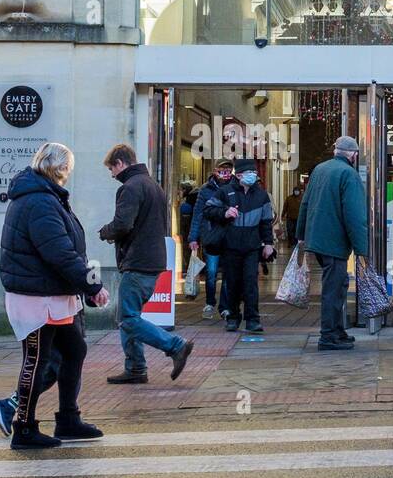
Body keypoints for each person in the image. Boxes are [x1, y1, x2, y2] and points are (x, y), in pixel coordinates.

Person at [0, 142, 110, 448]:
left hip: (53, 294)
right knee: (37, 360)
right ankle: (24, 427)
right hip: (36, 297)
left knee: (74, 351)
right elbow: (60, 254)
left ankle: (68, 420)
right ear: (60, 168)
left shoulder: (46, 197)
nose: (68, 174)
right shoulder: (39, 202)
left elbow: (66, 250)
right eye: (67, 168)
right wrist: (94, 286)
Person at [99, 144, 194, 383]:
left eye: (112, 168)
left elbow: (123, 224)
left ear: (120, 163)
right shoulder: (153, 186)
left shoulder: (130, 188)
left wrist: (106, 232)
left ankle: (175, 345)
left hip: (138, 262)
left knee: (127, 319)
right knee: (131, 316)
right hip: (152, 261)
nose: (112, 175)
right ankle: (135, 368)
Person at [296, 136, 368, 350]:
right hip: (334, 241)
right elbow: (355, 215)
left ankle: (338, 331)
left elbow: (305, 203)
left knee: (338, 285)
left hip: (317, 239)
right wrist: (361, 248)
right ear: (353, 155)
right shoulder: (349, 174)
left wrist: (301, 234)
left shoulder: (319, 169)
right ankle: (328, 336)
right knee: (333, 289)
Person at [202, 158, 275, 333]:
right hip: (230, 245)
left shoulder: (261, 195)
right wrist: (224, 212)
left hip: (252, 246)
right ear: (239, 174)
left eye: (254, 173)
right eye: (249, 173)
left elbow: (266, 222)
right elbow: (208, 211)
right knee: (232, 282)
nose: (253, 176)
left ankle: (253, 319)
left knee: (251, 283)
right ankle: (233, 317)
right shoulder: (225, 193)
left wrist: (268, 244)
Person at [188, 160, 234, 320]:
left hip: (229, 236)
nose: (225, 173)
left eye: (228, 170)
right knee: (212, 271)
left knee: (228, 273)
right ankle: (209, 302)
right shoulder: (205, 190)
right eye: (222, 170)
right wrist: (193, 237)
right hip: (211, 236)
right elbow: (198, 214)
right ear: (215, 170)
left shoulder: (235, 187)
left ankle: (225, 307)